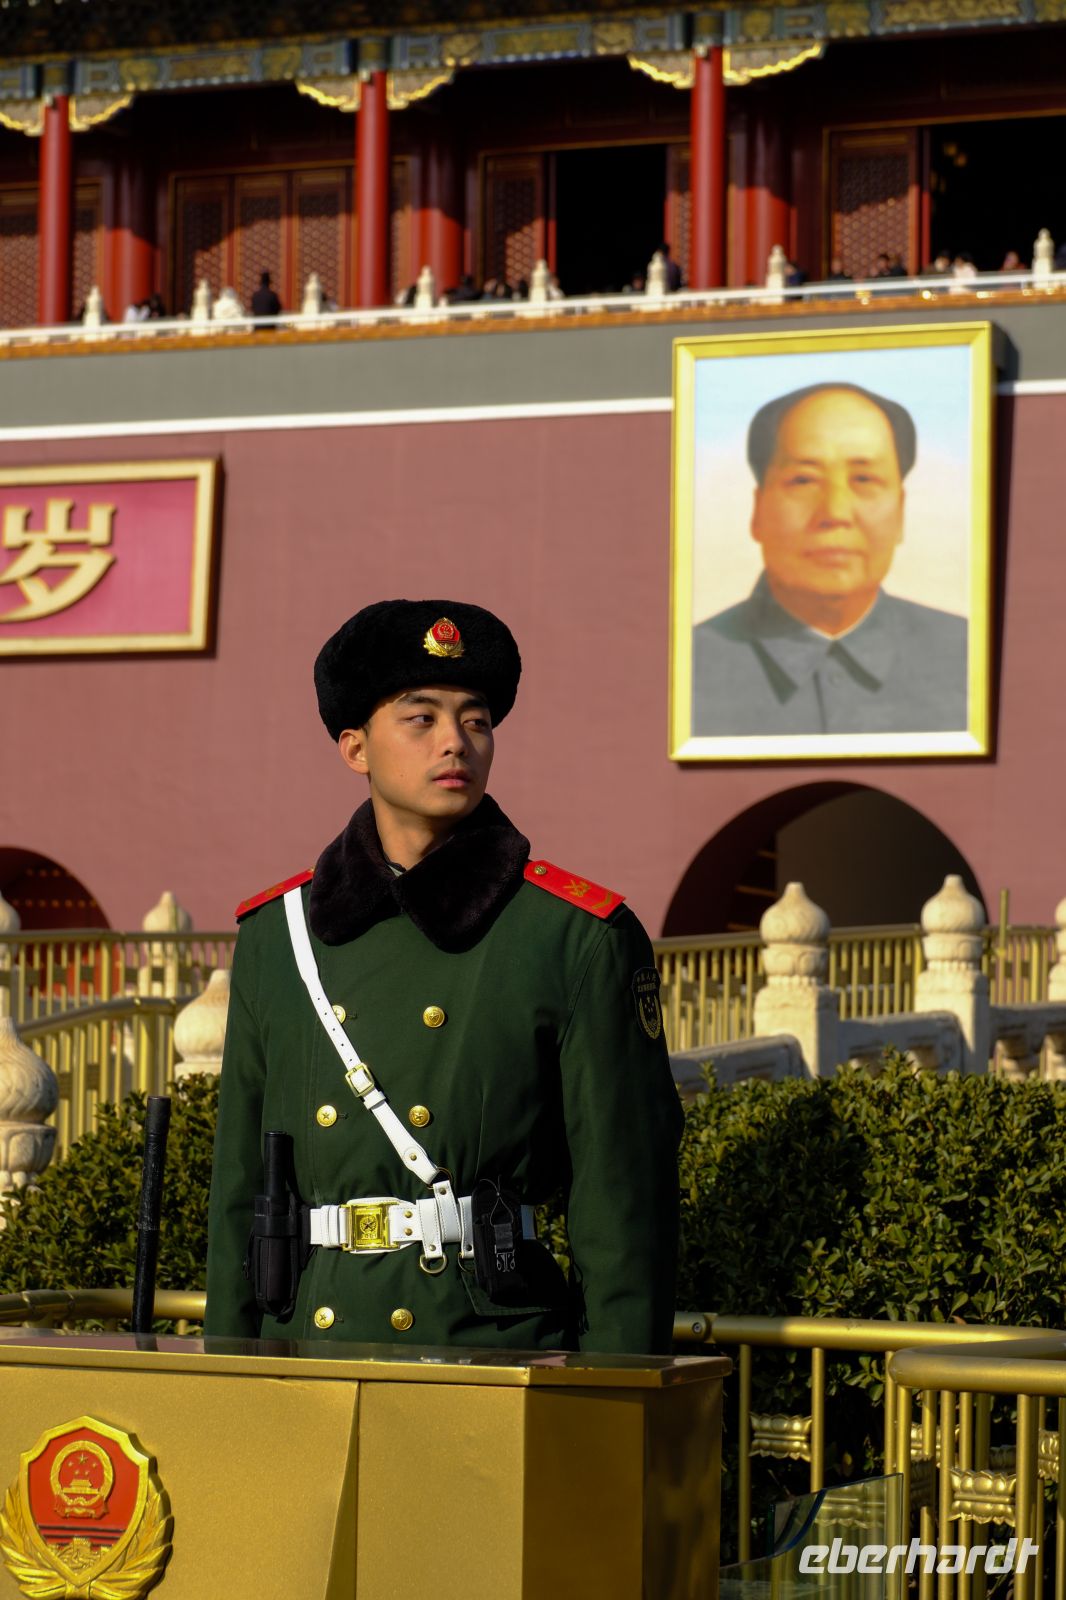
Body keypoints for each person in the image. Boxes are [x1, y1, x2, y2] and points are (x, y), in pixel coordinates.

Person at [206, 599, 683, 1353]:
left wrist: (615, 1400)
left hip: (484, 1343)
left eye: (477, 720)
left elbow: (622, 1201)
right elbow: (238, 1188)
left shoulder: (573, 934)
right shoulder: (277, 935)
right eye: (420, 718)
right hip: (305, 1343)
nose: (456, 743)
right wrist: (227, 1372)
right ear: (356, 748)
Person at [691, 384, 968, 737]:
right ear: (757, 510)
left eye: (864, 479)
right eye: (804, 480)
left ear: (900, 511)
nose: (835, 512)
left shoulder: (969, 657)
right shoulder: (684, 668)